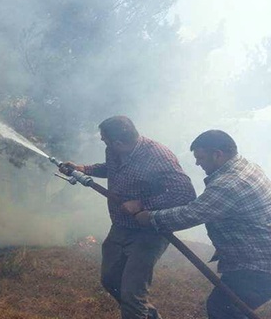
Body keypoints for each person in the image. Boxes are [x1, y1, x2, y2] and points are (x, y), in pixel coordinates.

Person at [123, 130, 271, 318]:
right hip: (258, 258)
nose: (197, 163)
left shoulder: (230, 184)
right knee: (230, 308)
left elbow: (191, 214)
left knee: (223, 309)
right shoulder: (247, 167)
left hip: (257, 266)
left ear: (217, 154)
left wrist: (150, 217)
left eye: (200, 157)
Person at [61, 116, 196, 319]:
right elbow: (111, 169)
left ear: (118, 142)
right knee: (110, 279)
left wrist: (143, 204)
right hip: (121, 226)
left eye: (105, 140)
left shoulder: (158, 156)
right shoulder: (115, 150)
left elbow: (184, 193)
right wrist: (84, 169)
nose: (103, 143)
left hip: (149, 231)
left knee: (133, 293)